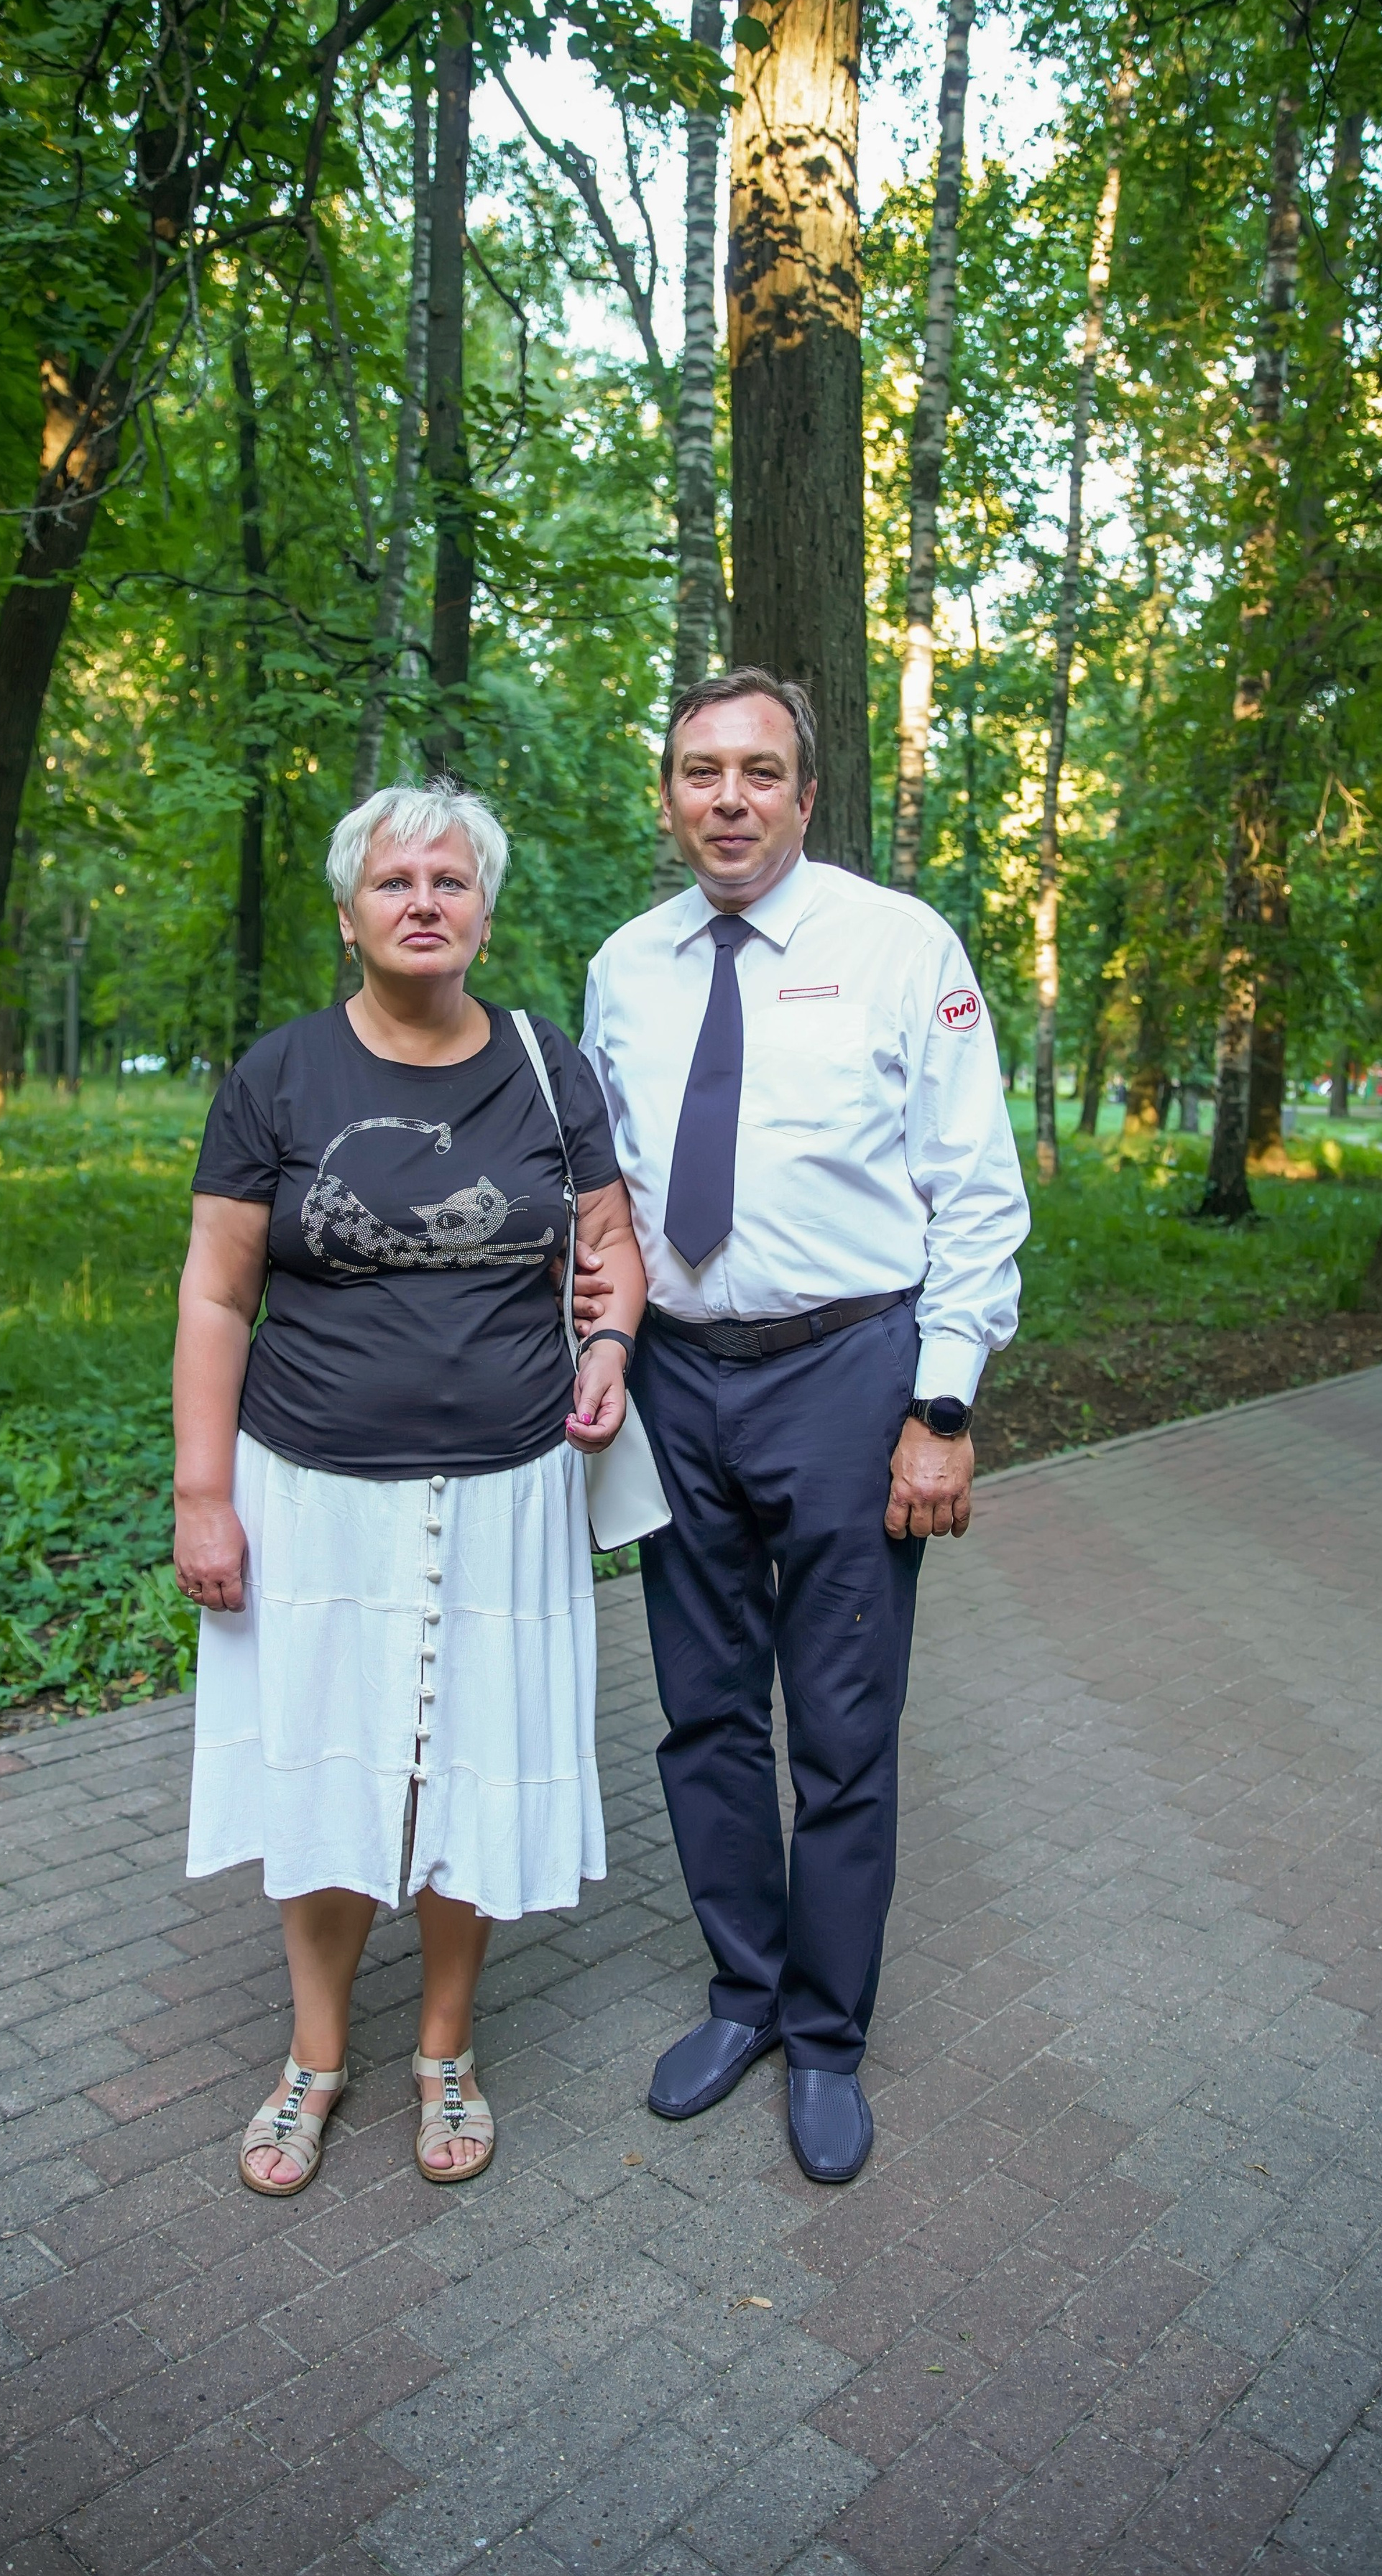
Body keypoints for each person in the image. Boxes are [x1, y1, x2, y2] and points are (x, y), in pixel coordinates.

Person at [578, 667, 1030, 2184]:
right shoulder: (622, 966)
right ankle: (743, 1994)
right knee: (702, 1711)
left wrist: (942, 1404)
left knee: (839, 1727)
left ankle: (828, 2034)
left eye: (757, 770)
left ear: (805, 792)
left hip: (846, 1371)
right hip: (674, 1384)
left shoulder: (900, 946)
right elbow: (608, 1198)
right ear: (667, 794)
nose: (726, 797)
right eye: (698, 770)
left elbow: (973, 1191)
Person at [173, 780, 646, 2197]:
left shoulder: (551, 1069)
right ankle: (314, 2056)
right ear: (347, 914)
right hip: (311, 1484)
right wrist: (205, 1491)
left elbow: (612, 1245)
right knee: (324, 1763)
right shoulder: (278, 1076)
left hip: (506, 1487)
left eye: (450, 879)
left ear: (484, 914)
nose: (423, 899)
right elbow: (214, 1291)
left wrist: (611, 1336)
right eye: (395, 881)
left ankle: (445, 2045)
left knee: (467, 1770)